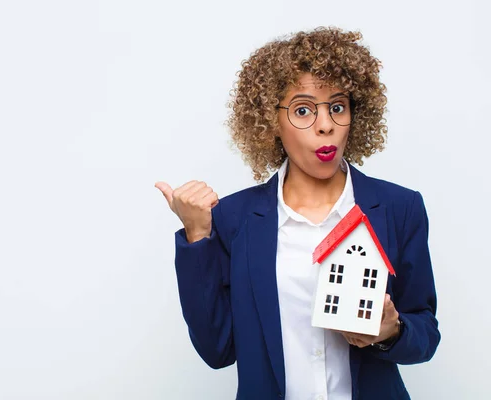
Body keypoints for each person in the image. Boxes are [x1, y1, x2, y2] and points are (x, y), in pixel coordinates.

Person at [155, 27, 439, 400]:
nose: (326, 125)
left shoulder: (400, 208)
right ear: (270, 121)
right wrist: (197, 236)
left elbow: (426, 334)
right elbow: (217, 350)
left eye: (337, 106)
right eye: (303, 110)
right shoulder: (234, 219)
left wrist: (393, 331)